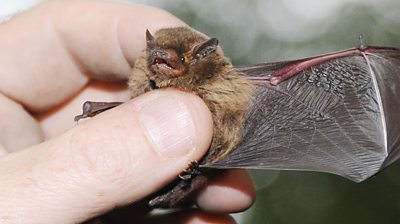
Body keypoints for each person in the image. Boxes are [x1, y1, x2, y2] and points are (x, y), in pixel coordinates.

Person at [0, 0, 255, 223]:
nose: (161, 60)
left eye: (179, 59)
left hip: (198, 171)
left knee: (200, 178)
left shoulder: (227, 86)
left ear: (201, 56)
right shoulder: (143, 80)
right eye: (156, 54)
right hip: (153, 185)